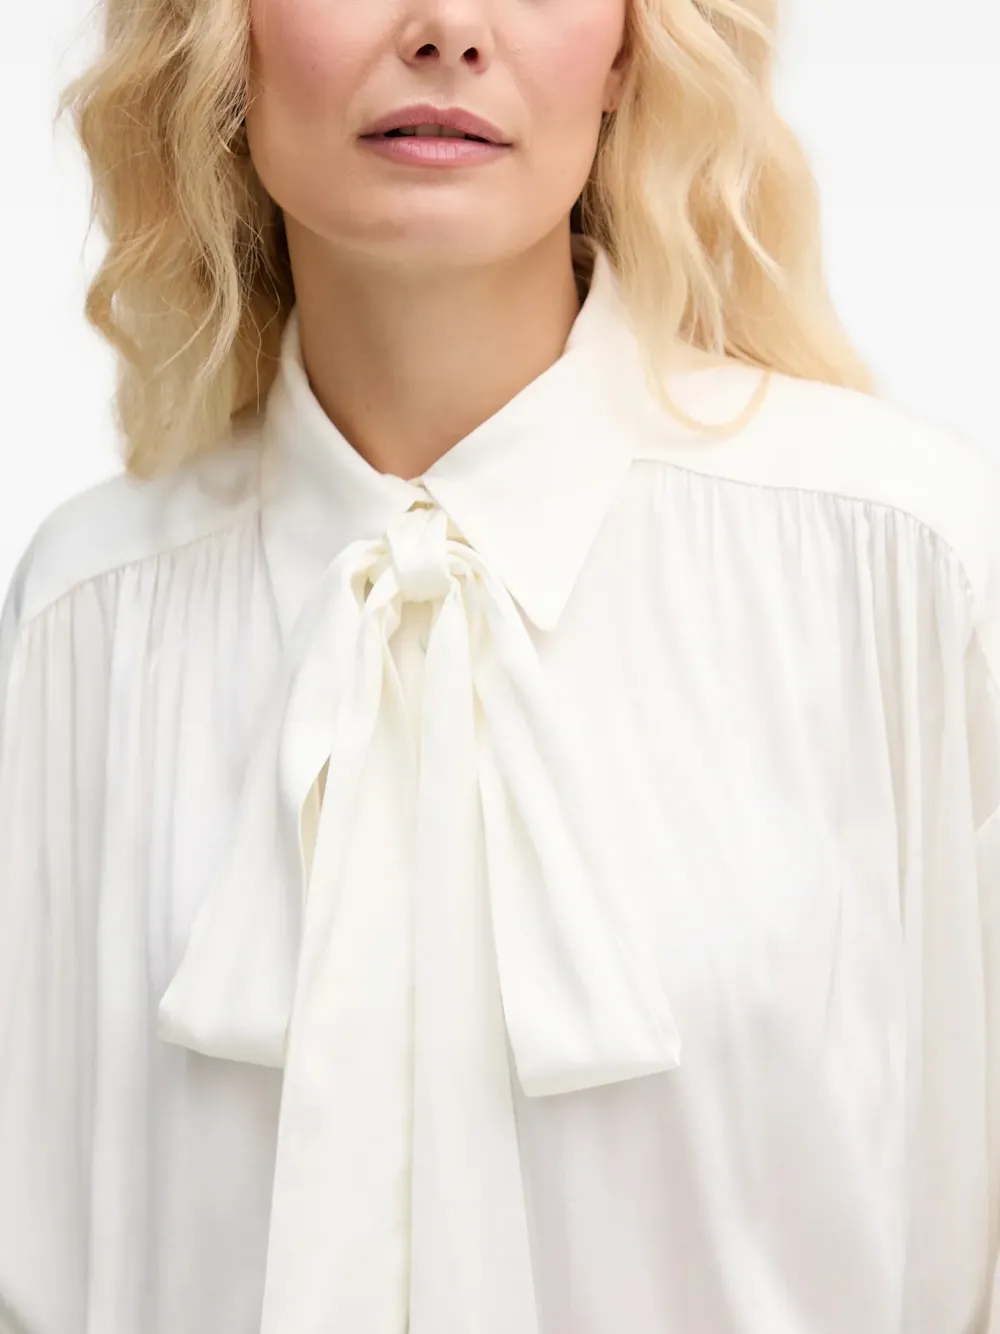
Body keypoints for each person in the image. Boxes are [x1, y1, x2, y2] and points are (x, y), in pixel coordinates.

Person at [1, 0, 997, 1330]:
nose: (448, 29)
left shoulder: (902, 562)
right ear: (220, 34)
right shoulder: (85, 618)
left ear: (630, 45)